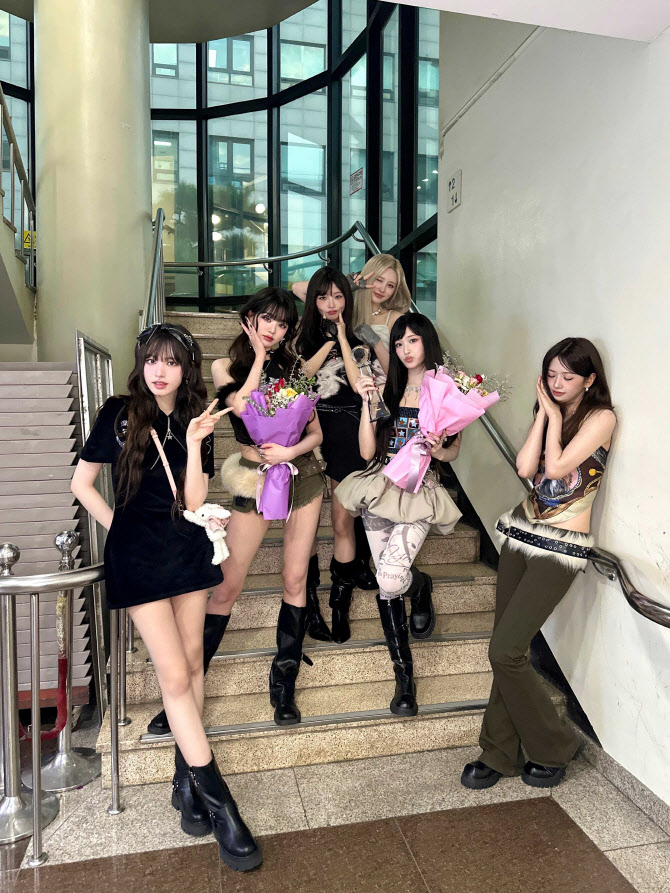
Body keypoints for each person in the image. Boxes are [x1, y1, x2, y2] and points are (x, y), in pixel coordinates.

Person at [71, 323, 262, 872]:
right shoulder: (118, 413)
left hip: (186, 550)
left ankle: (185, 782)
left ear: (187, 368)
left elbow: (194, 500)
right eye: (152, 359)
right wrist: (121, 530)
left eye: (172, 361)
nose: (160, 370)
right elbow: (81, 484)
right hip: (140, 561)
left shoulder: (195, 417)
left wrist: (197, 444)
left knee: (195, 664)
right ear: (140, 363)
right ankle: (222, 805)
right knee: (174, 677)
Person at [461, 337, 616, 791]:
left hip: (561, 548)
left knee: (504, 650)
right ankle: (498, 751)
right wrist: (545, 414)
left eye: (569, 376)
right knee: (505, 647)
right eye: (551, 375)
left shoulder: (602, 418)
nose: (558, 383)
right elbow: (526, 468)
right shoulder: (550, 410)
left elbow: (558, 466)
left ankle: (555, 745)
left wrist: (553, 415)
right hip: (521, 533)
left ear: (589, 379)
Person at [336, 313, 462, 715]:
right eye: (399, 342)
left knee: (391, 577)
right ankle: (404, 678)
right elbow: (367, 452)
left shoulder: (444, 389)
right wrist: (367, 403)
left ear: (427, 342)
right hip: (380, 486)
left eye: (413, 340)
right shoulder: (385, 388)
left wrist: (439, 448)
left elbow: (453, 452)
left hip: (419, 491)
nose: (406, 349)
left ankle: (418, 584)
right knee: (387, 584)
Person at [295, 267, 380, 645]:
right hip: (309, 430)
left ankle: (339, 604)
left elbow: (360, 382)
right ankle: (310, 602)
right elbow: (299, 380)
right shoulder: (301, 337)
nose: (331, 303)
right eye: (323, 296)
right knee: (308, 526)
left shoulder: (361, 336)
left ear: (348, 298)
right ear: (313, 300)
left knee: (343, 521)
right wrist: (327, 341)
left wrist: (343, 337)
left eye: (338, 296)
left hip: (348, 430)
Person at [350, 254, 412, 373]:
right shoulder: (345, 314)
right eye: (379, 280)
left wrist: (377, 343)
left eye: (390, 285)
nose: (382, 289)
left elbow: (399, 374)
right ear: (366, 277)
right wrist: (343, 287)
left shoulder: (396, 319)